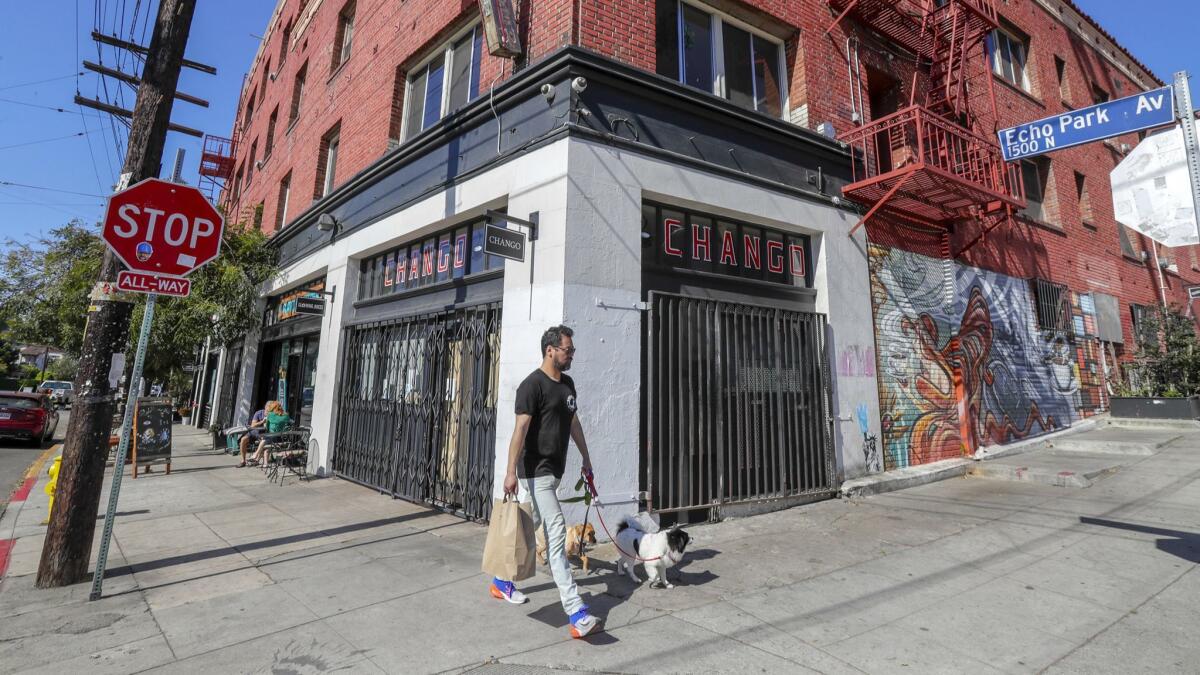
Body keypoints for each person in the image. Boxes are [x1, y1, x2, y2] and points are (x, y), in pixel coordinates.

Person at [490, 325, 600, 639]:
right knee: (554, 534)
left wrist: (587, 459)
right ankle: (577, 612)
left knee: (529, 525)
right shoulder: (531, 385)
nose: (572, 355)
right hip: (535, 470)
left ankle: (501, 581)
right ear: (550, 349)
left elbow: (573, 422)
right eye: (568, 350)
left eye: (572, 350)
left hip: (554, 470)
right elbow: (519, 432)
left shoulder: (567, 384)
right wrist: (510, 472)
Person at [251, 401, 290, 466]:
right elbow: (290, 423)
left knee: (265, 439)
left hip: (273, 437)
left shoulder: (270, 415)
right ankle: (265, 463)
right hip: (282, 438)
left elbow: (267, 427)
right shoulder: (286, 415)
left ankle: (256, 454)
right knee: (267, 442)